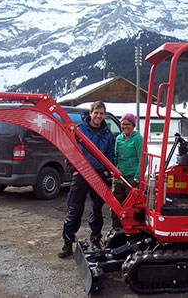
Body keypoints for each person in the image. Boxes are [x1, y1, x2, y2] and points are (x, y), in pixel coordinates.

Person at [58, 101, 115, 258]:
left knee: (97, 209)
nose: (98, 116)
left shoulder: (107, 134)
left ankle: (96, 239)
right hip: (82, 173)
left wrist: (106, 172)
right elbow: (69, 151)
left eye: (101, 113)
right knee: (75, 209)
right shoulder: (79, 131)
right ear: (90, 113)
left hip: (98, 175)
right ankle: (68, 242)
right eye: (96, 112)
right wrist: (73, 170)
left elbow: (110, 154)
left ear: (104, 115)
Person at [111, 113, 143, 229]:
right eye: (123, 124)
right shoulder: (119, 138)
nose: (125, 126)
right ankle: (116, 229)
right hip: (119, 176)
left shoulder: (138, 139)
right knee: (116, 203)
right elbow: (116, 156)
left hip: (131, 177)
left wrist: (137, 176)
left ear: (133, 125)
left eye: (128, 124)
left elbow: (143, 159)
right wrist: (114, 170)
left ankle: (131, 230)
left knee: (131, 205)